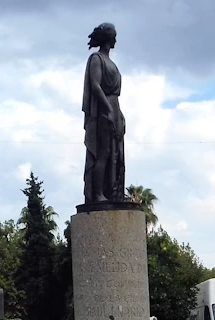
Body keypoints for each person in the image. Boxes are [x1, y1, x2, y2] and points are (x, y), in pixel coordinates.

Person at [82, 22, 127, 203]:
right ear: (108, 37)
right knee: (104, 152)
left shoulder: (112, 63)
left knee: (117, 154)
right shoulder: (96, 59)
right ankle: (98, 193)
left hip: (115, 108)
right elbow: (95, 85)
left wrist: (119, 114)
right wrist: (107, 109)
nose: (116, 38)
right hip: (104, 108)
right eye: (114, 35)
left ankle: (114, 192)